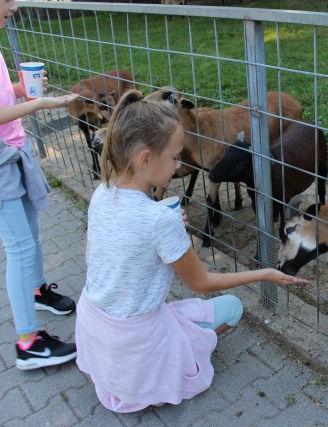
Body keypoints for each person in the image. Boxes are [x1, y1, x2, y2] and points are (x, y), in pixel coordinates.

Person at [76, 89, 310, 413]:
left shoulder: (102, 193)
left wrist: (166, 234)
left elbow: (93, 251)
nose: (178, 165)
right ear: (145, 158)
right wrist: (266, 273)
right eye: (174, 157)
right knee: (230, 308)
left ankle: (133, 362)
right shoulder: (159, 219)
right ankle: (170, 364)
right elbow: (201, 284)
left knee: (174, 310)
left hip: (94, 331)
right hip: (137, 345)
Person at [0, 0, 80, 370]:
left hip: (10, 151)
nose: (14, 5)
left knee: (31, 234)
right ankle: (28, 343)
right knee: (20, 248)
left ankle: (37, 290)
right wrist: (36, 105)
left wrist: (20, 88)